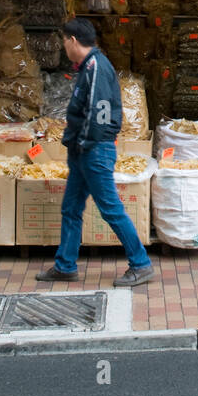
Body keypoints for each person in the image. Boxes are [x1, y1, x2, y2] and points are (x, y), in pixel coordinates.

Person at [37, 18, 154, 287]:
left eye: (64, 41)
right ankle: (65, 265)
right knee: (71, 208)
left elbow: (99, 115)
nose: (63, 46)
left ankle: (141, 263)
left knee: (111, 209)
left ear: (73, 41)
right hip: (83, 151)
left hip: (94, 152)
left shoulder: (97, 68)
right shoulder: (88, 68)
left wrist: (85, 144)